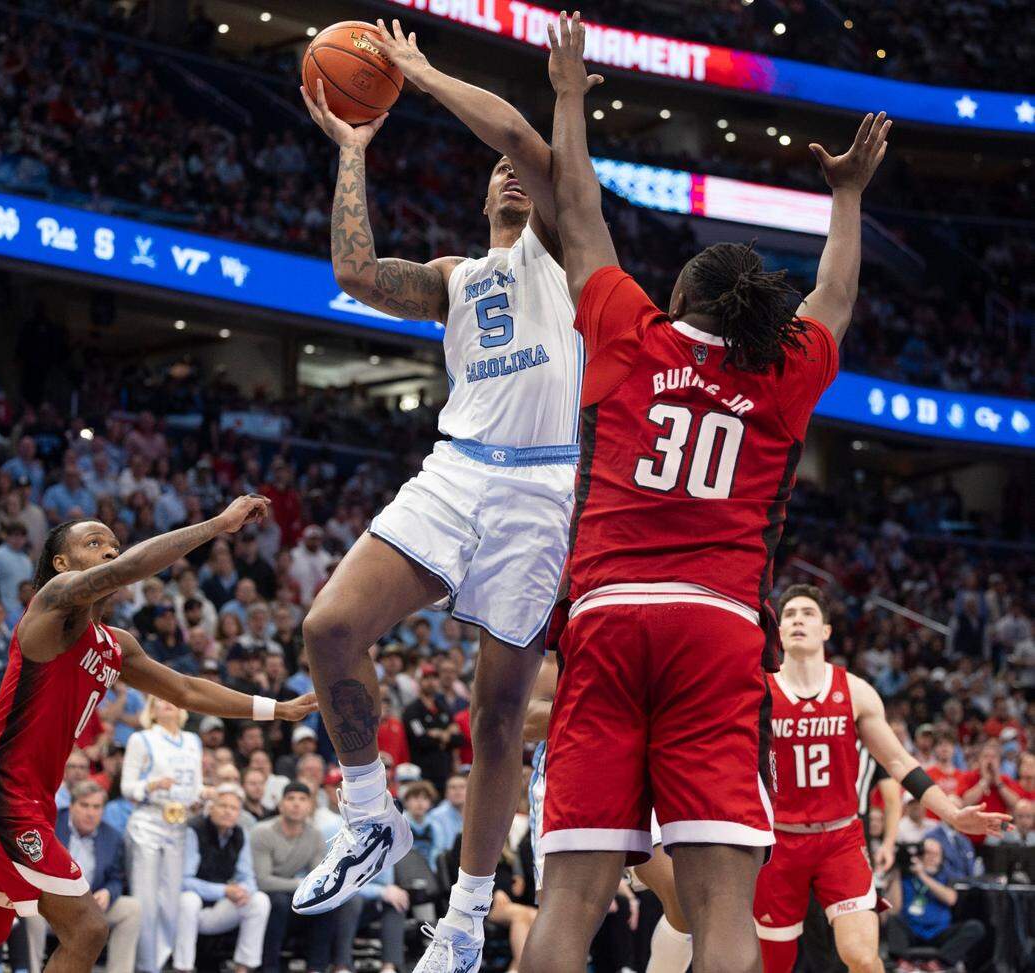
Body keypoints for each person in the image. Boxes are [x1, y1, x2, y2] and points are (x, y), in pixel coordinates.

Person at [520, 17, 896, 973]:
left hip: (606, 618)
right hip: (718, 626)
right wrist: (845, 197)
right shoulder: (784, 371)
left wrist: (568, 97)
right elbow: (836, 297)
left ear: (675, 295)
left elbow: (580, 207)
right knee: (724, 906)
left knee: (568, 905)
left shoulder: (628, 330)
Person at [292, 24, 582, 973]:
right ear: (476, 198)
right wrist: (352, 153)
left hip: (540, 486)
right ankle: (371, 814)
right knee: (330, 627)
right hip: (457, 468)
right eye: (495, 175)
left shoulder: (566, 254)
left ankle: (462, 917)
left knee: (498, 717)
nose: (507, 176)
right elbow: (354, 274)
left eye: (516, 172)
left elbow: (520, 137)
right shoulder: (459, 278)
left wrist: (416, 72)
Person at [0, 497, 316, 973]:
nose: (108, 550)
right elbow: (128, 570)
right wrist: (217, 526)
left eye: (113, 544)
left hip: (31, 794)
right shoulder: (52, 605)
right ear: (61, 563)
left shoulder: (116, 644)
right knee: (88, 928)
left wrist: (277, 709)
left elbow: (185, 689)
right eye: (94, 542)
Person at [753, 586, 1006, 973]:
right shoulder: (761, 692)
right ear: (778, 631)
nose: (798, 620)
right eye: (789, 615)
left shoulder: (856, 691)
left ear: (826, 631)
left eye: (808, 613)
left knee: (864, 958)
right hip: (780, 840)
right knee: (774, 965)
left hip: (839, 838)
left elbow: (900, 763)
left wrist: (953, 816)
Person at [525, 652, 693, 973]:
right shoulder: (566, 621)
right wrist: (605, 708)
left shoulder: (665, 613)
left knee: (685, 898)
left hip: (646, 762)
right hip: (577, 766)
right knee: (564, 920)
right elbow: (526, 719)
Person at [122, 695, 204, 973]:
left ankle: (160, 958)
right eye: (160, 699)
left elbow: (196, 785)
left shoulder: (193, 741)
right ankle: (146, 965)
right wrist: (152, 785)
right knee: (145, 899)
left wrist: (202, 797)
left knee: (170, 899)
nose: (167, 703)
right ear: (152, 709)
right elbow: (127, 787)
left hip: (179, 823)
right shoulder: (141, 739)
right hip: (148, 821)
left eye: (172, 699)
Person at [24, 781, 142, 973]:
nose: (90, 812)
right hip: (51, 905)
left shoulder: (112, 837)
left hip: (90, 906)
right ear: (71, 806)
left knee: (132, 909)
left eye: (96, 807)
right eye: (84, 805)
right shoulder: (50, 826)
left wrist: (108, 892)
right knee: (30, 913)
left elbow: (116, 878)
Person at [174, 784, 271, 973]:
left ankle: (243, 967)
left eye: (233, 808)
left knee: (259, 900)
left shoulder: (240, 834)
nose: (228, 812)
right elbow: (184, 880)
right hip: (192, 906)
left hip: (220, 907)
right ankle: (182, 968)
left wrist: (244, 892)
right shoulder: (194, 830)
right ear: (211, 808)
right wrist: (224, 890)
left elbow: (247, 876)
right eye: (223, 806)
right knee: (188, 900)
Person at [250, 781, 334, 973]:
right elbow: (262, 880)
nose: (296, 804)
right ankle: (269, 968)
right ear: (281, 805)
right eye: (290, 799)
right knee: (278, 902)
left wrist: (311, 889)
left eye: (302, 799)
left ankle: (317, 968)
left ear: (310, 806)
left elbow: (317, 876)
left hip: (292, 892)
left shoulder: (315, 835)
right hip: (267, 893)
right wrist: (299, 884)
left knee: (324, 904)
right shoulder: (262, 832)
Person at [884, 838, 985, 970]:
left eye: (935, 854)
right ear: (918, 855)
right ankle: (902, 962)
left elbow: (951, 899)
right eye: (927, 853)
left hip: (939, 932)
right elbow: (893, 909)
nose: (931, 857)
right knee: (892, 920)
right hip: (911, 930)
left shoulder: (945, 875)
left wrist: (922, 875)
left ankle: (939, 963)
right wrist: (896, 872)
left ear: (942, 857)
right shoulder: (905, 875)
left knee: (975, 927)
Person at [403, 664, 463, 796]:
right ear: (419, 681)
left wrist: (438, 734)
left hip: (445, 772)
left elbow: (459, 739)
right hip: (423, 774)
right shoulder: (412, 710)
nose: (431, 682)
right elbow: (421, 740)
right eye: (426, 678)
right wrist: (447, 735)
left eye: (434, 678)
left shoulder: (443, 707)